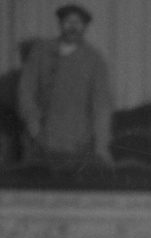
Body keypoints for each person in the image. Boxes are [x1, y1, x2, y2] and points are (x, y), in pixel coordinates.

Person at [18, 4, 113, 168]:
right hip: (41, 138)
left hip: (79, 142)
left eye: (78, 23)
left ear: (85, 26)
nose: (73, 27)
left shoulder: (94, 60)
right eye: (68, 21)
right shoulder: (40, 52)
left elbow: (102, 104)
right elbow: (25, 91)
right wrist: (33, 124)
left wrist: (101, 146)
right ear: (60, 24)